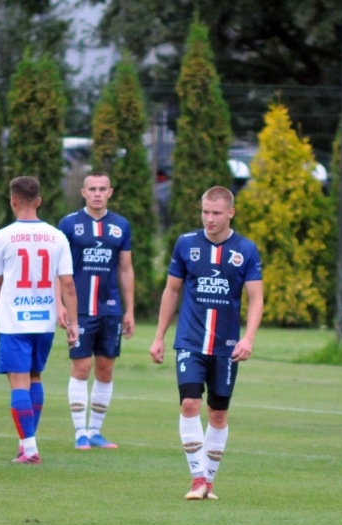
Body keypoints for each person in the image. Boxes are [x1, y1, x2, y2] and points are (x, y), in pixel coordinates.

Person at [149, 186, 263, 501]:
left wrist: (248, 338)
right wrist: (159, 337)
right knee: (189, 404)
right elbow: (172, 291)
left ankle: (208, 483)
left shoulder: (247, 250)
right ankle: (197, 478)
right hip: (190, 341)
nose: (209, 218)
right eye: (205, 212)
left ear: (230, 213)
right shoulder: (186, 244)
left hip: (226, 346)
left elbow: (256, 298)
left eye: (216, 213)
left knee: (218, 413)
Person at [0, 176, 78, 465]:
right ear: (39, 201)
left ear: (12, 200)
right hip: (45, 321)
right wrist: (74, 323)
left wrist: (0, 308)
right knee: (35, 377)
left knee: (18, 383)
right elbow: (68, 284)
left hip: (14, 322)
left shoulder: (3, 236)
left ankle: (29, 449)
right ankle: (26, 442)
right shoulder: (57, 236)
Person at [56, 171, 134, 450]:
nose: (97, 194)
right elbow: (58, 269)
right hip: (80, 310)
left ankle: (95, 432)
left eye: (102, 189)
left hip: (110, 309)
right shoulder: (69, 224)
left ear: (110, 192)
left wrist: (129, 310)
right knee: (81, 366)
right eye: (92, 189)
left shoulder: (121, 225)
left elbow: (125, 269)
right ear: (84, 193)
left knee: (105, 368)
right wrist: (59, 304)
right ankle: (80, 432)